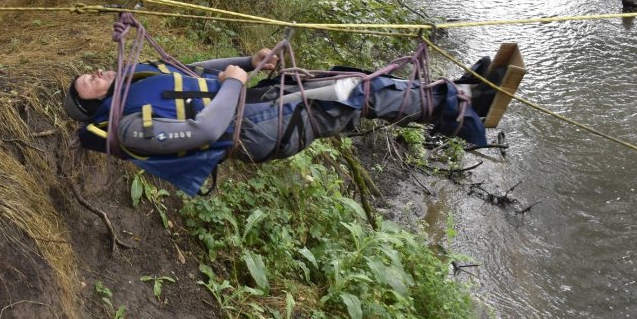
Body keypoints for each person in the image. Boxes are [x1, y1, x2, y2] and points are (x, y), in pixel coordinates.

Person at [64, 49, 505, 196]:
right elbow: (203, 131)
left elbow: (195, 69)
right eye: (90, 82)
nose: (99, 73)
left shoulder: (138, 74)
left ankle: (455, 94)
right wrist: (236, 86)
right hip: (251, 132)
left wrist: (248, 64)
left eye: (94, 71)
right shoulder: (127, 128)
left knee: (342, 77)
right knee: (347, 97)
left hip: (250, 103)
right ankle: (463, 109)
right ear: (91, 107)